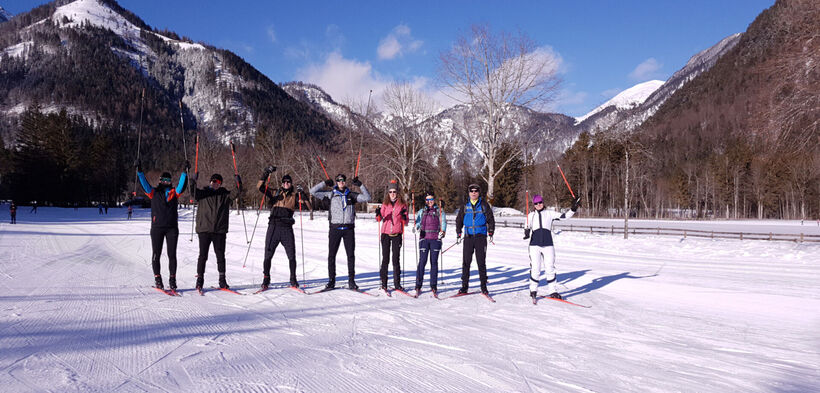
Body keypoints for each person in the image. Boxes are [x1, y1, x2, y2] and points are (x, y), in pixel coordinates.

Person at [310, 173, 370, 290]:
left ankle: (351, 281)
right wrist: (325, 183)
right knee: (332, 256)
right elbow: (312, 191)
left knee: (350, 256)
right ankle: (331, 281)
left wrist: (360, 185)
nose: (341, 182)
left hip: (348, 229)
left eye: (343, 180)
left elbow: (367, 197)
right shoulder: (330, 194)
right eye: (338, 180)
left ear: (345, 181)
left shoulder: (351, 195)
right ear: (336, 182)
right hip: (335, 229)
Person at [137, 162, 188, 291]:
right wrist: (139, 172)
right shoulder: (153, 192)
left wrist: (184, 172)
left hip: (171, 228)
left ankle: (172, 279)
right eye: (163, 180)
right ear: (160, 181)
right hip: (157, 228)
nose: (166, 182)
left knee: (172, 255)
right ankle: (158, 279)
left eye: (168, 180)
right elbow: (144, 185)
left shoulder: (173, 193)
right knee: (156, 254)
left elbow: (181, 187)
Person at [192, 172, 243, 291]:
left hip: (219, 231)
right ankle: (200, 280)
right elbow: (192, 192)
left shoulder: (225, 195)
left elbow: (237, 192)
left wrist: (238, 182)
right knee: (202, 256)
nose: (215, 184)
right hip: (204, 229)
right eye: (214, 181)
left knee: (220, 256)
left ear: (220, 184)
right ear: (210, 182)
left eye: (218, 182)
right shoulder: (203, 193)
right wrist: (192, 181)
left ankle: (222, 280)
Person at [524, 194, 580, 301]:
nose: (539, 205)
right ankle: (533, 290)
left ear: (543, 202)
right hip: (534, 245)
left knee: (550, 267)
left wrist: (573, 208)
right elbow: (526, 225)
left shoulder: (549, 213)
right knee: (536, 268)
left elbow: (564, 217)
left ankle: (553, 291)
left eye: (540, 202)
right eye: (536, 203)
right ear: (533, 205)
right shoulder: (530, 215)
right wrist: (526, 231)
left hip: (548, 244)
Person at [257, 167, 304, 290]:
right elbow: (260, 187)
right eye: (284, 182)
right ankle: (266, 279)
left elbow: (307, 204)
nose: (286, 184)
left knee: (291, 255)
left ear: (291, 183)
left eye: (288, 182)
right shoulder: (275, 193)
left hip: (287, 229)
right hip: (273, 227)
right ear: (282, 183)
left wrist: (302, 193)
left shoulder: (294, 196)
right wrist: (266, 173)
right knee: (268, 254)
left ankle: (293, 279)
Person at [455, 183, 495, 295]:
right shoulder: (465, 205)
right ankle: (464, 286)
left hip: (480, 237)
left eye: (476, 191)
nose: (473, 193)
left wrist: (491, 230)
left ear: (478, 192)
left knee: (481, 262)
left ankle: (483, 287)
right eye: (471, 191)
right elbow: (459, 220)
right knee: (466, 262)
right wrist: (458, 231)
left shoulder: (484, 205)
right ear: (469, 193)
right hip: (468, 237)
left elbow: (491, 219)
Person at [375, 180, 408, 291]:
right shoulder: (385, 204)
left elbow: (406, 221)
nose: (392, 194)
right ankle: (384, 283)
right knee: (385, 259)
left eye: (394, 191)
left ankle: (397, 284)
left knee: (396, 259)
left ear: (397, 192)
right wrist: (378, 214)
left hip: (396, 234)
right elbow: (379, 218)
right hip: (385, 234)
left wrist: (404, 218)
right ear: (388, 193)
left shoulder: (403, 204)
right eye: (390, 192)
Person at [413, 191, 446, 295]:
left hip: (435, 239)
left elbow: (443, 222)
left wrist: (443, 232)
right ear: (425, 201)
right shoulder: (421, 211)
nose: (430, 202)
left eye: (431, 199)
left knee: (434, 263)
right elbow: (418, 222)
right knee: (422, 262)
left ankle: (433, 285)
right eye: (428, 200)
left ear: (434, 200)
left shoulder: (439, 211)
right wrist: (416, 227)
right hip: (424, 238)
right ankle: (418, 285)